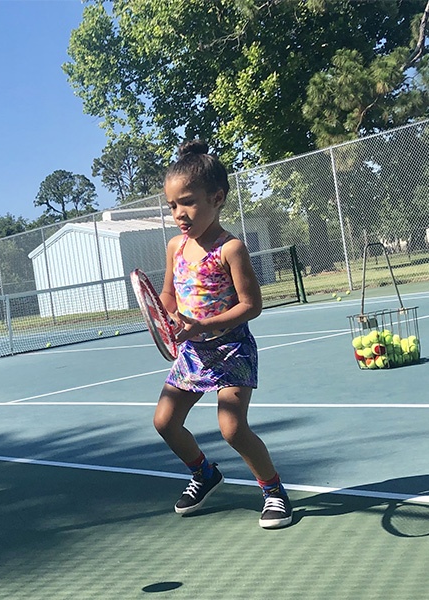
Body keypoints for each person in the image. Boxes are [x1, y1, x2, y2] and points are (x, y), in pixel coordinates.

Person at [152, 140, 292, 529]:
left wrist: (202, 325)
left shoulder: (231, 248)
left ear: (217, 198)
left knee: (232, 428)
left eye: (187, 202)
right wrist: (164, 315)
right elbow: (168, 295)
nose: (179, 214)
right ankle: (204, 473)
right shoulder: (175, 247)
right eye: (172, 206)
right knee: (165, 422)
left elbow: (251, 305)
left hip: (232, 350)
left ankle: (273, 490)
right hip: (192, 354)